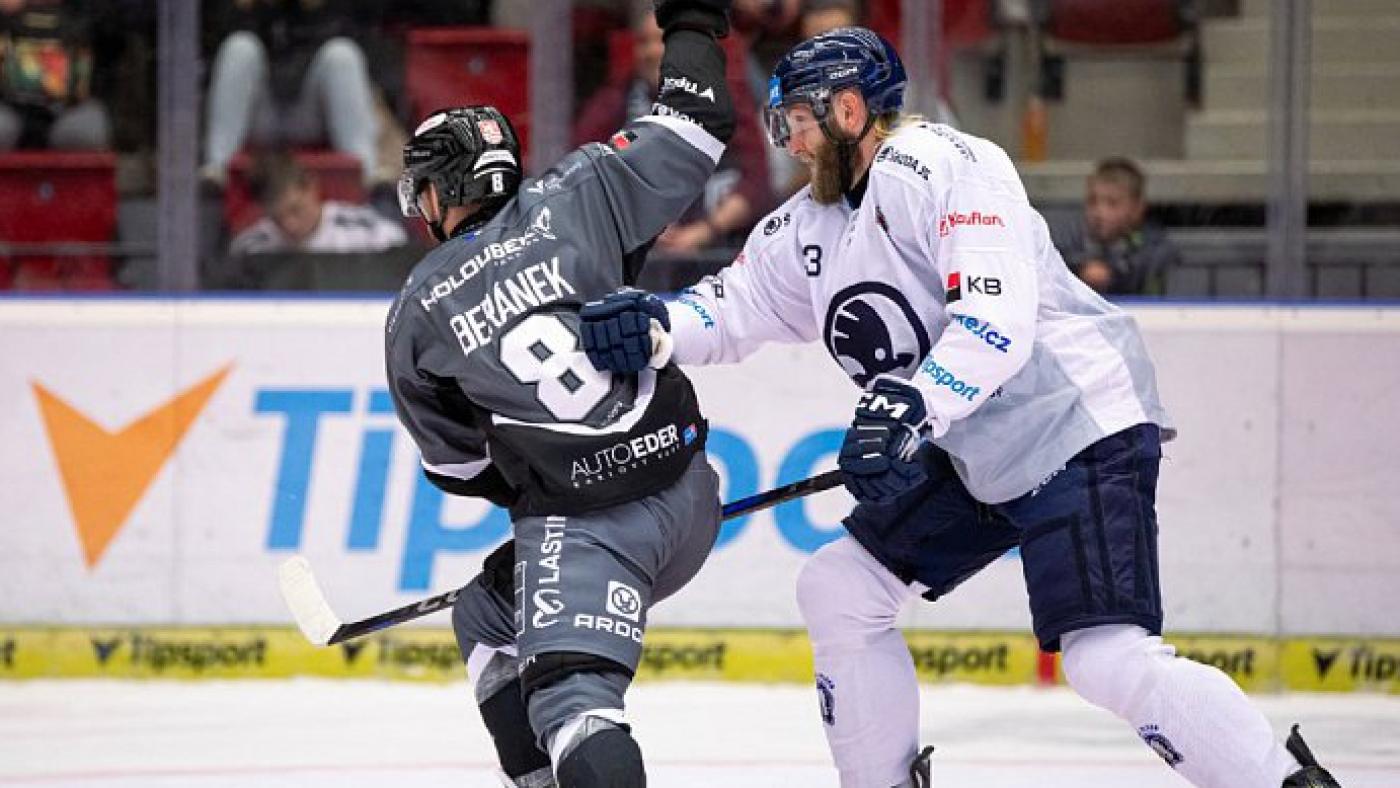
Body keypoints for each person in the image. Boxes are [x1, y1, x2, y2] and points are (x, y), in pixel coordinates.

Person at [578, 26, 1341, 788]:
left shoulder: (946, 165)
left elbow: (995, 318)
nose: (792, 143)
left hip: (1071, 420)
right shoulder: (808, 223)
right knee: (841, 588)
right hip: (972, 443)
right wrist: (655, 326)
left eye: (801, 121)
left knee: (1104, 657)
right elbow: (734, 307)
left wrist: (914, 408)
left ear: (850, 110)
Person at [383, 2, 734, 786]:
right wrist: (692, 20)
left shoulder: (417, 311)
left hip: (589, 532)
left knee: (574, 706)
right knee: (485, 613)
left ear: (442, 191)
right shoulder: (581, 188)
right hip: (692, 491)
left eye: (424, 193)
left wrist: (549, 482)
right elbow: (699, 120)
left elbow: (461, 468)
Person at [573, 2, 768, 256]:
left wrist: (704, 231)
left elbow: (757, 181)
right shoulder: (619, 97)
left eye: (663, 41)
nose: (652, 51)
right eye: (643, 42)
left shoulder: (723, 98)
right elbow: (583, 169)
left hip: (716, 247)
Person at [200, 0, 379, 188]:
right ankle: (217, 169)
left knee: (342, 55)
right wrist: (248, 9)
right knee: (239, 46)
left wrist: (315, 9)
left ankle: (365, 174)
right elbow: (213, 44)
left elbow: (367, 48)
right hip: (261, 113)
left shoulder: (338, 12)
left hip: (311, 112)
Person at [227, 152, 406, 257]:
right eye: (276, 218)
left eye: (295, 209)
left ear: (311, 188)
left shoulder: (370, 234)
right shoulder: (250, 249)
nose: (290, 225)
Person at [1051, 156, 1182, 296]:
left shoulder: (1157, 249)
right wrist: (1079, 268)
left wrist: (1115, 276)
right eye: (1092, 201)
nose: (1099, 212)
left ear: (1137, 208)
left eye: (1112, 203)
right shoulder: (1067, 239)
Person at [0, 0, 111, 151]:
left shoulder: (89, 13)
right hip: (8, 107)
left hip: (73, 109)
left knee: (85, 133)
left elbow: (123, 21)